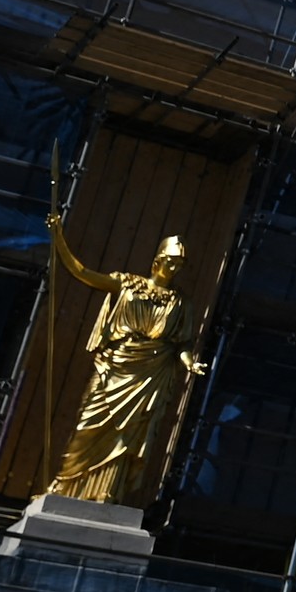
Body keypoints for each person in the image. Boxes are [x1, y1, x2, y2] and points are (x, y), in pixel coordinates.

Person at [42, 216, 204, 506]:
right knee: (88, 425)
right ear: (157, 260)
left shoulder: (181, 303)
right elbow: (83, 272)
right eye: (170, 261)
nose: (174, 268)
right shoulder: (127, 283)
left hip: (151, 373)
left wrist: (189, 362)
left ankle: (108, 493)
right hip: (116, 364)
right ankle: (64, 485)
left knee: (127, 435)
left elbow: (182, 342)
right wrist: (59, 239)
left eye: (180, 264)